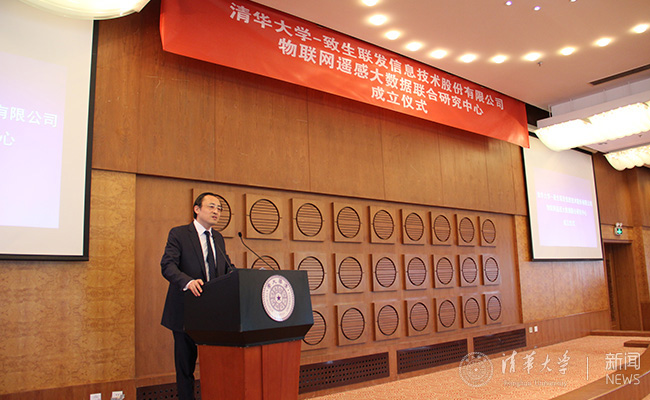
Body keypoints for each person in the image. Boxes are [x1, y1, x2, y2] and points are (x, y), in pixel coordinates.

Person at [160, 192, 234, 400]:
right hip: (186, 311)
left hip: (213, 314)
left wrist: (242, 276)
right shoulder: (179, 234)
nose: (216, 211)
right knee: (185, 368)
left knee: (216, 364)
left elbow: (226, 268)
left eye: (219, 208)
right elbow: (168, 265)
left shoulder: (218, 238)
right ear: (197, 209)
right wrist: (188, 282)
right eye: (211, 206)